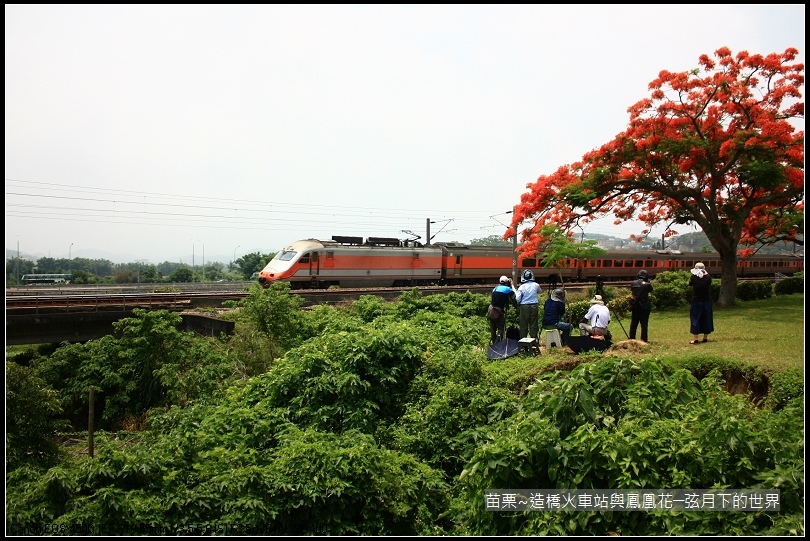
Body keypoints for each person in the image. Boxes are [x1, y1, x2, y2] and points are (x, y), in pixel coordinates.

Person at [689, 262, 714, 344]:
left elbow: (690, 284)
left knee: (695, 318)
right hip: (706, 300)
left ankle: (695, 338)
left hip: (696, 300)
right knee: (706, 318)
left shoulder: (693, 277)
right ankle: (705, 337)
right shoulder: (708, 277)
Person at [488, 275, 516, 344]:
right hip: (498, 311)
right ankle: (498, 344)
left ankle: (493, 344)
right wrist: (512, 285)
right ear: (507, 282)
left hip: (491, 309)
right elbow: (515, 295)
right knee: (501, 328)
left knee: (493, 328)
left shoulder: (495, 288)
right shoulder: (507, 289)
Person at [515, 269, 542, 340]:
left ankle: (523, 341)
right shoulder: (536, 285)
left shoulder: (521, 287)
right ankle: (534, 340)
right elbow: (540, 291)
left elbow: (517, 299)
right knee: (533, 323)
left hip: (524, 306)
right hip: (534, 305)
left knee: (524, 323)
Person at [629, 269, 653, 343]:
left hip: (635, 306)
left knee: (634, 323)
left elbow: (632, 290)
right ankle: (644, 339)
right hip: (645, 307)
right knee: (644, 324)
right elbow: (651, 290)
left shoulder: (633, 283)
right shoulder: (647, 285)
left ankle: (632, 338)